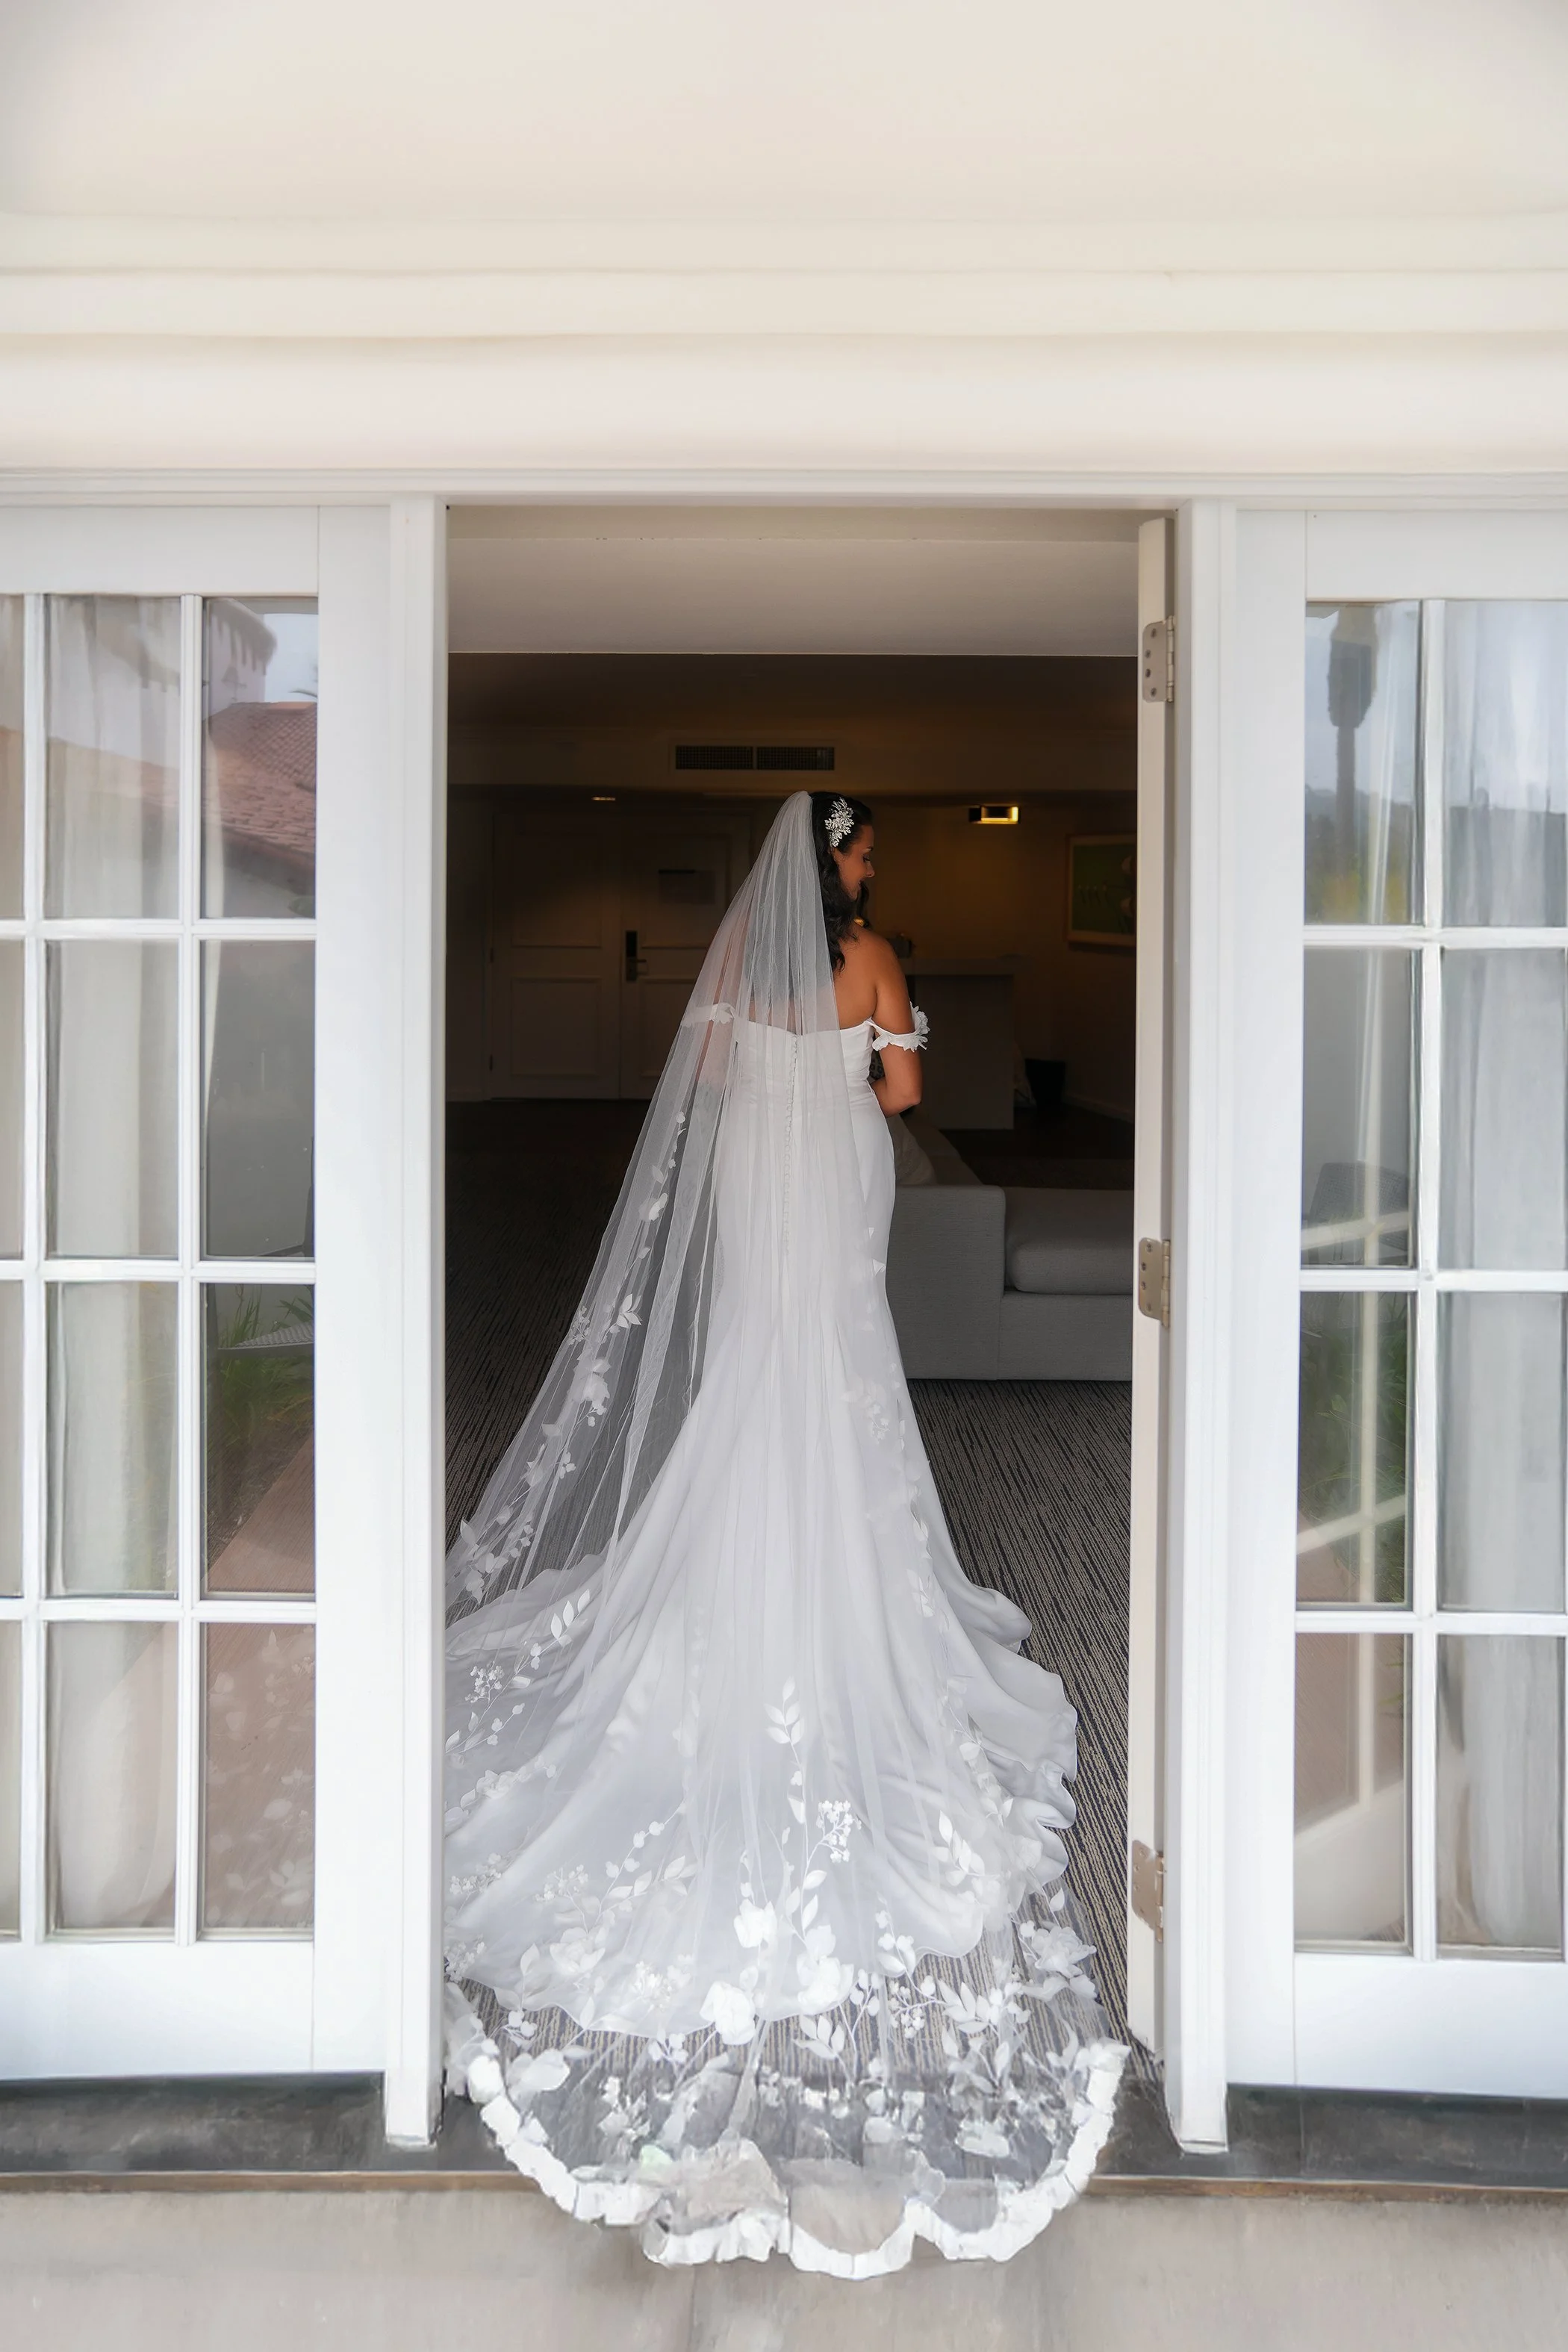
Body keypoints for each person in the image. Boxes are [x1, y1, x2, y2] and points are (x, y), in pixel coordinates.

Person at [444, 791, 1124, 2275]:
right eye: (865, 848)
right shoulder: (873, 959)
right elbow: (901, 1096)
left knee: (758, 1356)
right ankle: (847, 1585)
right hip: (838, 1175)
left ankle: (729, 1564)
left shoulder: (738, 968)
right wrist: (872, 1049)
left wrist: (779, 1070)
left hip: (763, 1178)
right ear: (839, 869)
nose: (875, 863)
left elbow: (707, 1082)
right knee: (840, 1365)